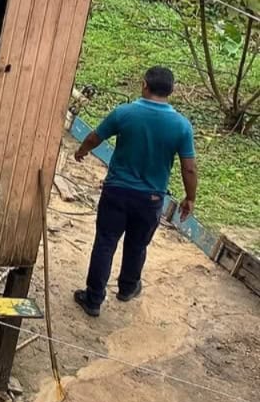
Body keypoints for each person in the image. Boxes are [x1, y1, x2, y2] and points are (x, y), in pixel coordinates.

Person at [73, 66, 197, 317]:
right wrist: (190, 198)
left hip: (117, 191)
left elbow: (95, 137)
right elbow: (189, 168)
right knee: (137, 245)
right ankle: (128, 288)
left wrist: (82, 151)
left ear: (144, 85)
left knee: (105, 243)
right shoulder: (181, 126)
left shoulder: (125, 113)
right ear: (171, 91)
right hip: (151, 198)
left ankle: (94, 299)